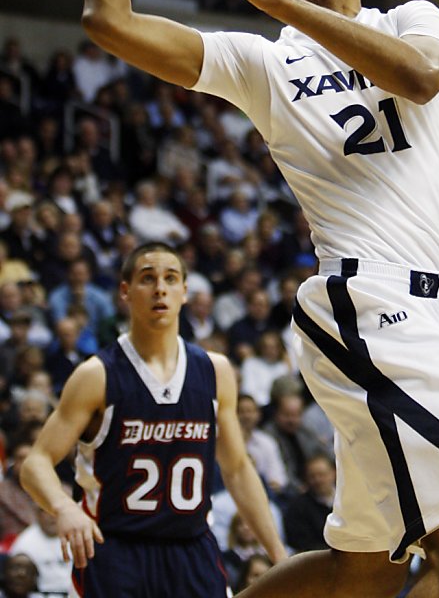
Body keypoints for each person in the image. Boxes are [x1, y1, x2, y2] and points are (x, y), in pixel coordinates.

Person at [77, 0, 439, 598]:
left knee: (360, 569)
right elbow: (108, 20)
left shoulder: (411, 19)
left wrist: (277, 2)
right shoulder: (263, 62)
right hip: (366, 307)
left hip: (427, 312)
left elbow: (421, 77)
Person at [19, 242, 286, 597]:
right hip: (116, 549)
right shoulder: (97, 375)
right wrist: (64, 506)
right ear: (126, 292)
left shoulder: (215, 371)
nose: (160, 288)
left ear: (185, 292)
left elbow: (237, 469)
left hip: (192, 548)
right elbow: (35, 463)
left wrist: (279, 556)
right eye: (148, 278)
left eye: (170, 278)